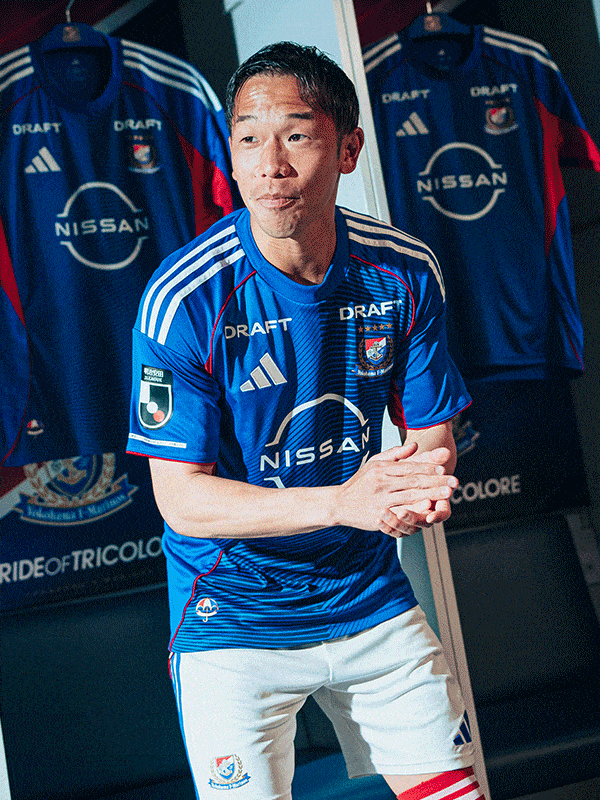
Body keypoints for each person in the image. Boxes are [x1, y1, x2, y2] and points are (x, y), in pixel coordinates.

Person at [127, 41, 485, 800]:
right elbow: (182, 500)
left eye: (296, 135)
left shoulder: (403, 270)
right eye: (249, 139)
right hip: (232, 616)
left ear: (348, 149)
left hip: (368, 599)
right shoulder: (184, 299)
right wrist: (344, 502)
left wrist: (420, 486)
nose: (271, 165)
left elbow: (431, 438)